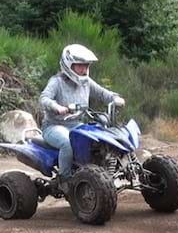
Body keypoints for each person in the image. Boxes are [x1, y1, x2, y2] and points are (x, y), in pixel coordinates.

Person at [40, 44, 125, 192]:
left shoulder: (86, 82)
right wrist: (57, 107)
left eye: (86, 66)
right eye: (80, 66)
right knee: (67, 143)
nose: (84, 70)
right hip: (54, 126)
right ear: (68, 65)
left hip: (76, 124)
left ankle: (99, 173)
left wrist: (115, 98)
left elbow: (102, 93)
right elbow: (44, 98)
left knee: (99, 138)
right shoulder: (57, 81)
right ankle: (64, 180)